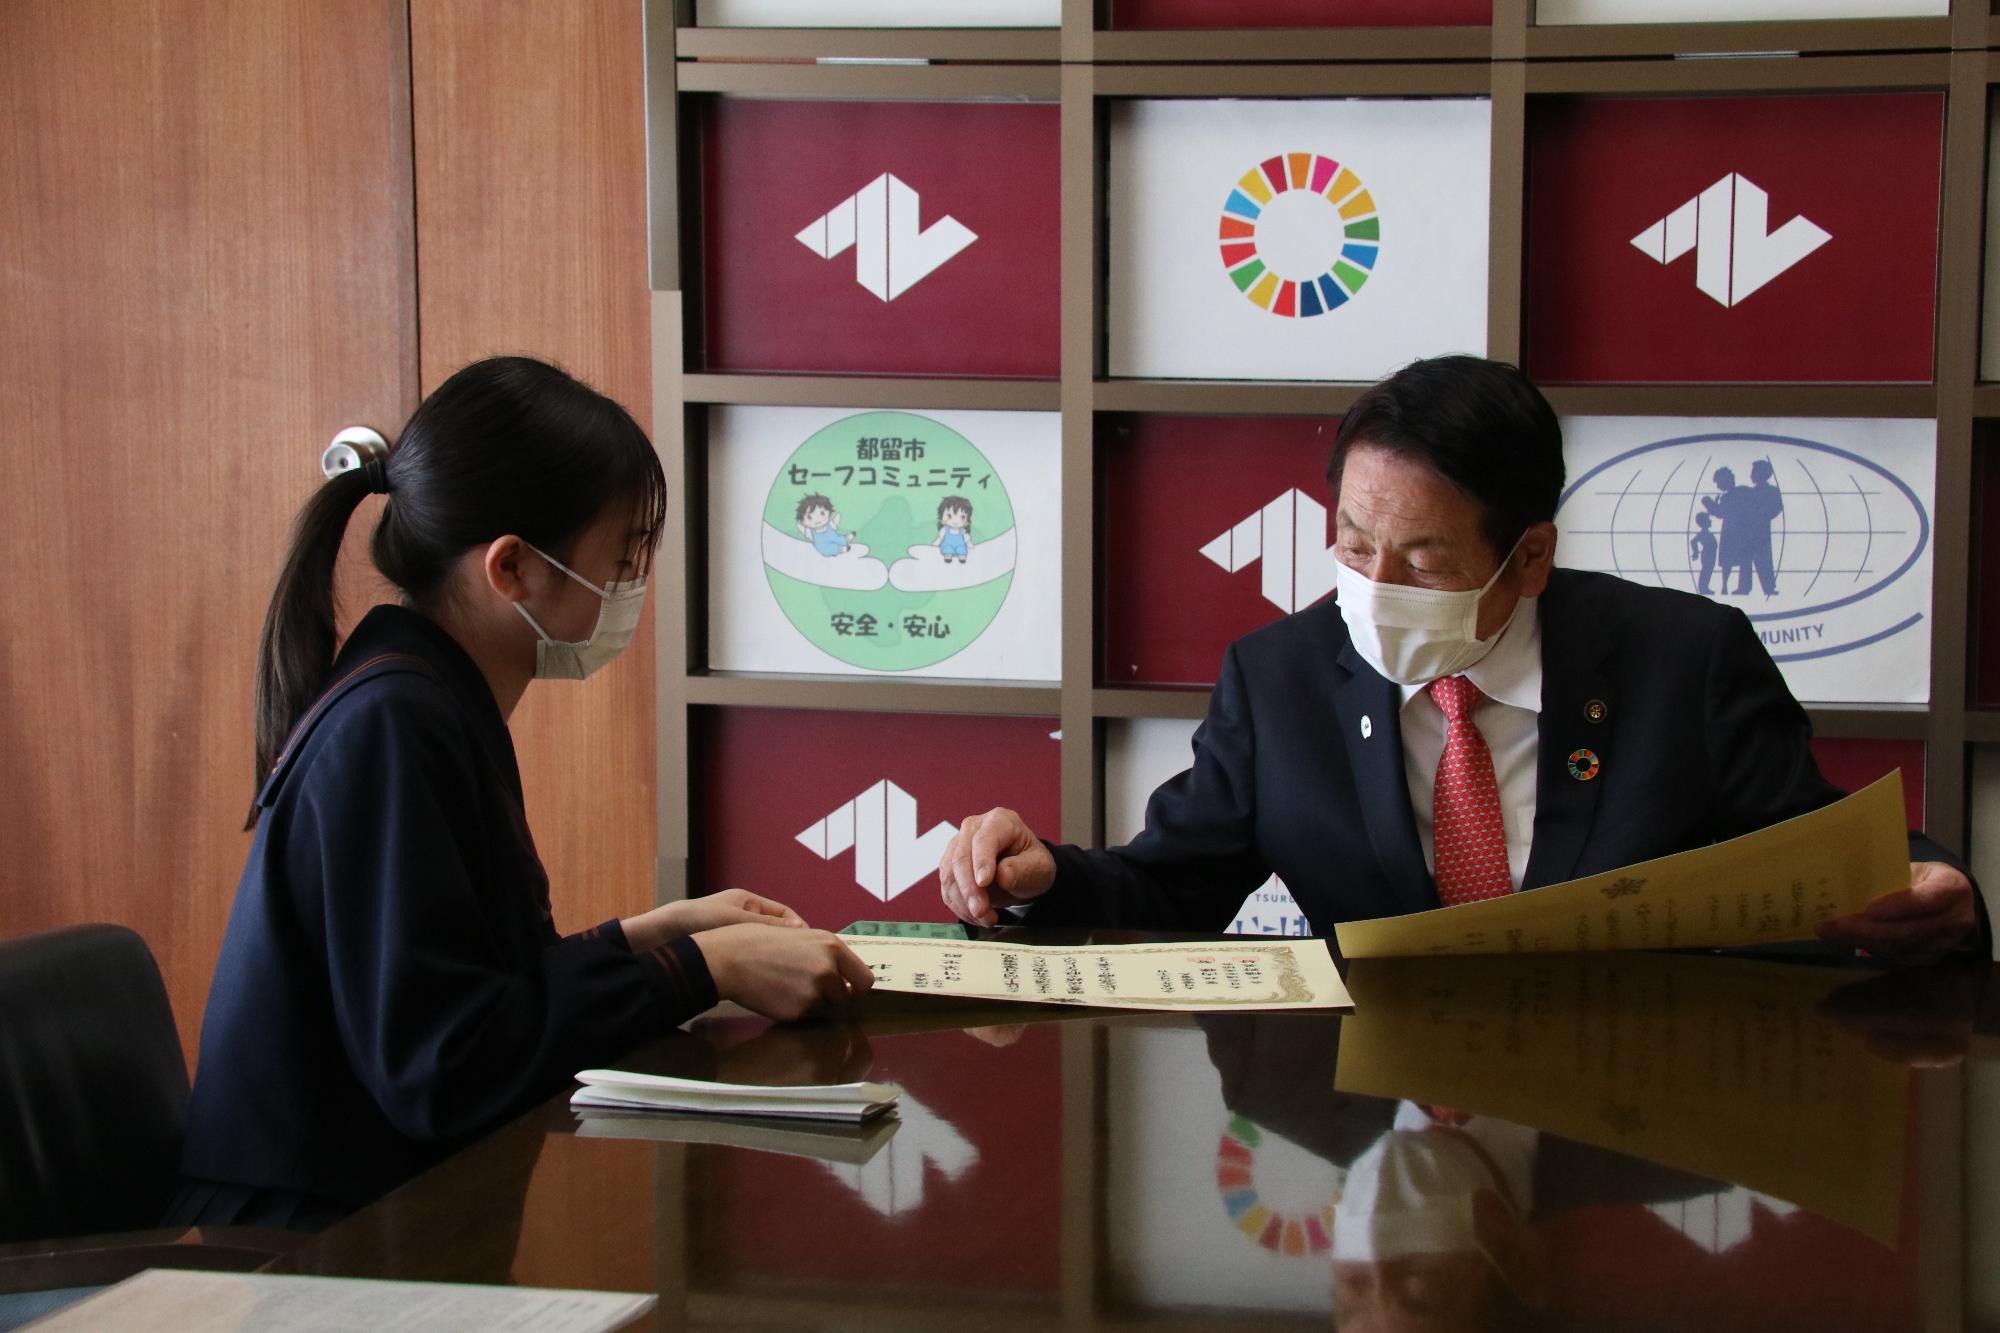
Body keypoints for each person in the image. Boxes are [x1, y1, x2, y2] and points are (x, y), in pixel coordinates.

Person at [938, 356, 1984, 961]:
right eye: (1351, 543)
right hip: (1368, 1132)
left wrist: (1933, 889)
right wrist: (1038, 882)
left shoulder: (1683, 662)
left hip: (1616, 1134)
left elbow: (1812, 860)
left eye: (1422, 557)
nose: (1371, 583)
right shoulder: (1281, 675)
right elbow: (1169, 889)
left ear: (1528, 557)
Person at [171, 357, 872, 1229]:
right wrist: (704, 969)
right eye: (621, 559)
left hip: (373, 1208)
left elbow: (485, 989)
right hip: (301, 1249)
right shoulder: (394, 721)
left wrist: (652, 935)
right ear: (510, 569)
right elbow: (447, 1066)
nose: (631, 589)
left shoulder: (428, 695)